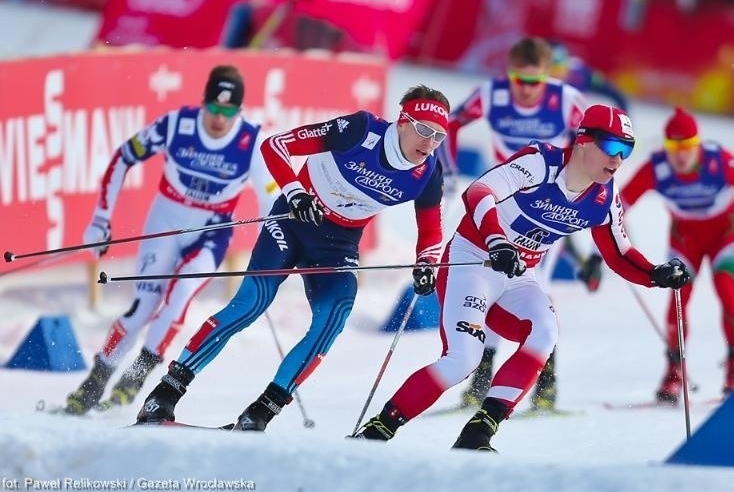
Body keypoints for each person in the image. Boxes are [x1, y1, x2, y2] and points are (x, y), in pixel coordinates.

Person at [354, 104, 691, 451]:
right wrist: (497, 240)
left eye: (627, 150)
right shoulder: (541, 162)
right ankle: (379, 430)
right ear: (583, 142)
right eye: (612, 148)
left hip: (517, 274)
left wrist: (656, 274)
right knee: (463, 359)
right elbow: (479, 192)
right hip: (473, 261)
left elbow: (619, 255)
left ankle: (478, 433)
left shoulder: (605, 198)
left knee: (545, 332)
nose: (618, 160)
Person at [134, 85, 449, 430]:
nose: (429, 142)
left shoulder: (427, 174)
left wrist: (427, 264)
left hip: (339, 244)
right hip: (294, 221)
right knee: (251, 304)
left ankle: (261, 413)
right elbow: (276, 146)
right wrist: (295, 192)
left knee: (334, 317)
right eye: (423, 129)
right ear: (403, 121)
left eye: (438, 136)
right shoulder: (359, 130)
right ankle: (166, 392)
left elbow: (431, 232)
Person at [65, 65, 276, 415]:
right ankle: (93, 383)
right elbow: (123, 158)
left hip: (210, 233)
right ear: (203, 102)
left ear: (239, 111)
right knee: (142, 308)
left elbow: (271, 200)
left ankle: (133, 380)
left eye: (228, 112)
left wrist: (276, 245)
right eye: (214, 108)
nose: (219, 119)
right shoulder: (177, 124)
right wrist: (101, 217)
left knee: (177, 301)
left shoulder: (252, 141)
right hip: (164, 223)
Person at [440, 36, 593, 412]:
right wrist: (447, 171)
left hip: (546, 209)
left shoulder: (567, 100)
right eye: (517, 80)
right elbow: (449, 124)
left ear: (546, 76)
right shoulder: (491, 94)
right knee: (492, 281)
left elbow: (594, 144)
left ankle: (545, 385)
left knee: (532, 288)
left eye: (533, 81)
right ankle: (481, 381)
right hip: (501, 205)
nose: (524, 90)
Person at [620, 107, 734, 403]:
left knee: (725, 289)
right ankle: (674, 370)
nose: (680, 155)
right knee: (678, 297)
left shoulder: (717, 159)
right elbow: (618, 204)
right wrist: (600, 251)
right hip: (685, 240)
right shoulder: (657, 168)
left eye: (687, 146)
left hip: (724, 235)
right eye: (673, 147)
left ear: (697, 143)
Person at [548, 40, 630, 112]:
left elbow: (615, 93)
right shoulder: (540, 79)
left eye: (560, 64)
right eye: (552, 66)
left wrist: (624, 119)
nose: (557, 71)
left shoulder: (580, 72)